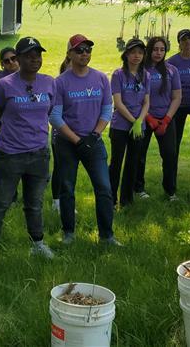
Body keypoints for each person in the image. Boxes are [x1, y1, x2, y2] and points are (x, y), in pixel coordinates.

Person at [0, 37, 56, 270]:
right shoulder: (5, 85)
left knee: (34, 203)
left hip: (39, 154)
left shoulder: (49, 83)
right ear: (19, 59)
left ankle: (37, 244)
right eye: (29, 55)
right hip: (10, 155)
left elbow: (48, 111)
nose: (35, 59)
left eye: (38, 54)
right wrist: (10, 135)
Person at [50, 34, 120, 245]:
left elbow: (107, 110)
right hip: (66, 142)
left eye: (88, 50)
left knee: (104, 188)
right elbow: (54, 117)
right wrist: (77, 141)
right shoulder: (60, 82)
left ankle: (107, 236)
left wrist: (94, 135)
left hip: (93, 141)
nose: (84, 54)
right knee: (67, 189)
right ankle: (69, 233)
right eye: (79, 50)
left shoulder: (100, 78)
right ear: (69, 53)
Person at [135, 36, 182, 201]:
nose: (158, 53)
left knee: (170, 154)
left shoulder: (172, 70)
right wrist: (148, 118)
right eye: (155, 49)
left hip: (166, 119)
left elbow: (177, 97)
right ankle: (138, 188)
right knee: (140, 154)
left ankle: (170, 191)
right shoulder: (141, 70)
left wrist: (167, 119)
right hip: (145, 118)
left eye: (162, 50)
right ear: (149, 50)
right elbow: (136, 97)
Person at [108, 38, 149, 207]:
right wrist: (133, 121)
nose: (136, 56)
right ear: (126, 55)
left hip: (139, 127)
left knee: (133, 163)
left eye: (140, 53)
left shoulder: (145, 74)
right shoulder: (118, 75)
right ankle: (110, 199)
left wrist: (140, 121)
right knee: (116, 163)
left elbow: (147, 102)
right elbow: (118, 103)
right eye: (133, 53)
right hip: (120, 126)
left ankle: (127, 200)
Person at [50, 57, 72, 213]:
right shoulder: (58, 85)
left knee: (70, 170)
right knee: (60, 167)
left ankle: (68, 199)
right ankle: (56, 201)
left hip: (77, 134)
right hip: (59, 134)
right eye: (70, 67)